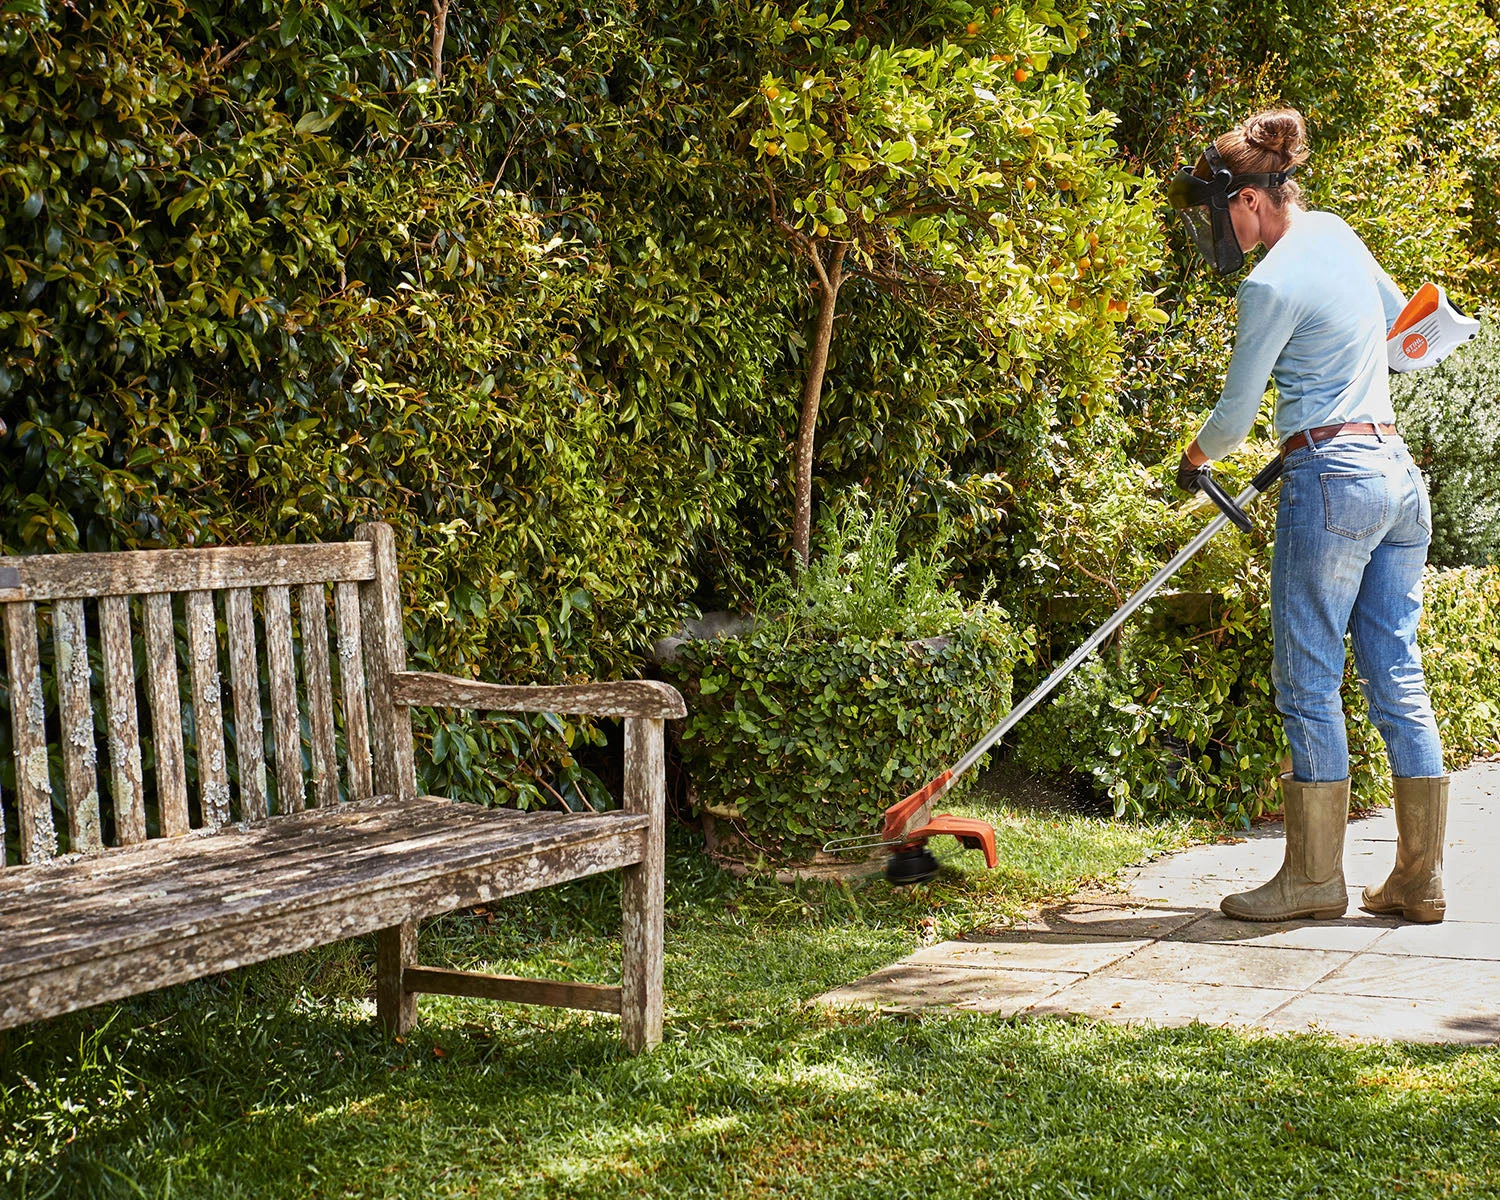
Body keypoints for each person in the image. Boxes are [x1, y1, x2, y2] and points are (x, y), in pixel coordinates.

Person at [1167, 108, 1448, 924]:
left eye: (1218, 213)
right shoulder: (1338, 233)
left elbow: (1233, 416)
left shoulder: (1269, 282)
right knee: (1396, 671)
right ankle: (1419, 881)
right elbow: (1404, 338)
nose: (1219, 231)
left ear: (1249, 200)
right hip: (1397, 476)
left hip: (1332, 480)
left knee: (1308, 678)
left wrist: (1195, 459)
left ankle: (1314, 880)